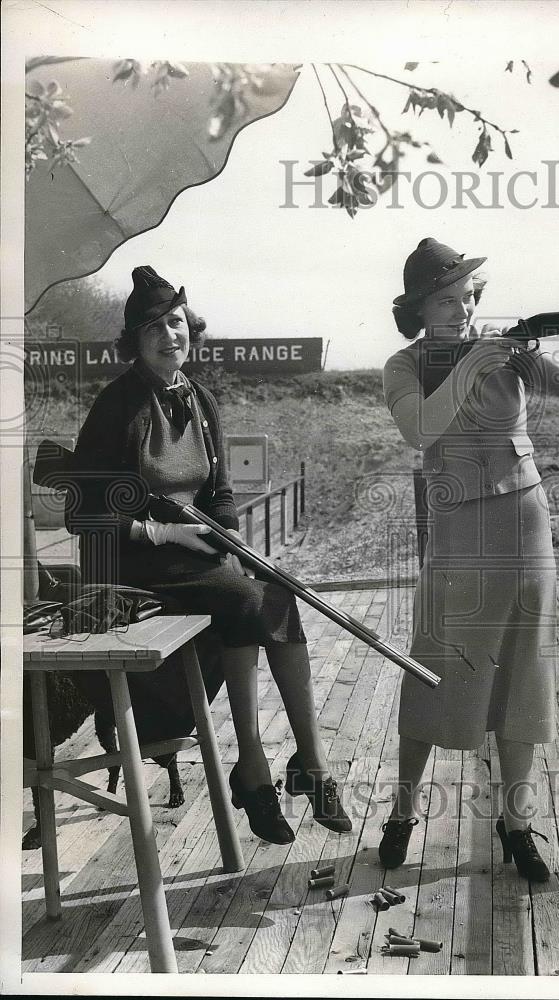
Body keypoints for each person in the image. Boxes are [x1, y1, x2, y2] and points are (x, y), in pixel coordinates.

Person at [380, 238, 559, 879]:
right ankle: (403, 812)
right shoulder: (403, 365)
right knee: (437, 664)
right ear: (419, 309)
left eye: (467, 297)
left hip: (525, 520)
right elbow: (421, 430)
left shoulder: (505, 353)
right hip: (458, 527)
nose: (461, 310)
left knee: (525, 668)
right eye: (445, 300)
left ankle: (517, 823)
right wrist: (471, 367)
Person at [66, 265, 351, 844]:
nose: (170, 336)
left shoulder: (200, 400)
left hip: (197, 557)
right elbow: (83, 515)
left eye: (176, 323)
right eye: (153, 329)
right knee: (246, 600)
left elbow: (217, 494)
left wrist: (232, 543)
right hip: (133, 564)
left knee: (278, 590)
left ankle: (306, 760)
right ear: (135, 343)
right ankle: (256, 767)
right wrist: (163, 533)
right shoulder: (117, 407)